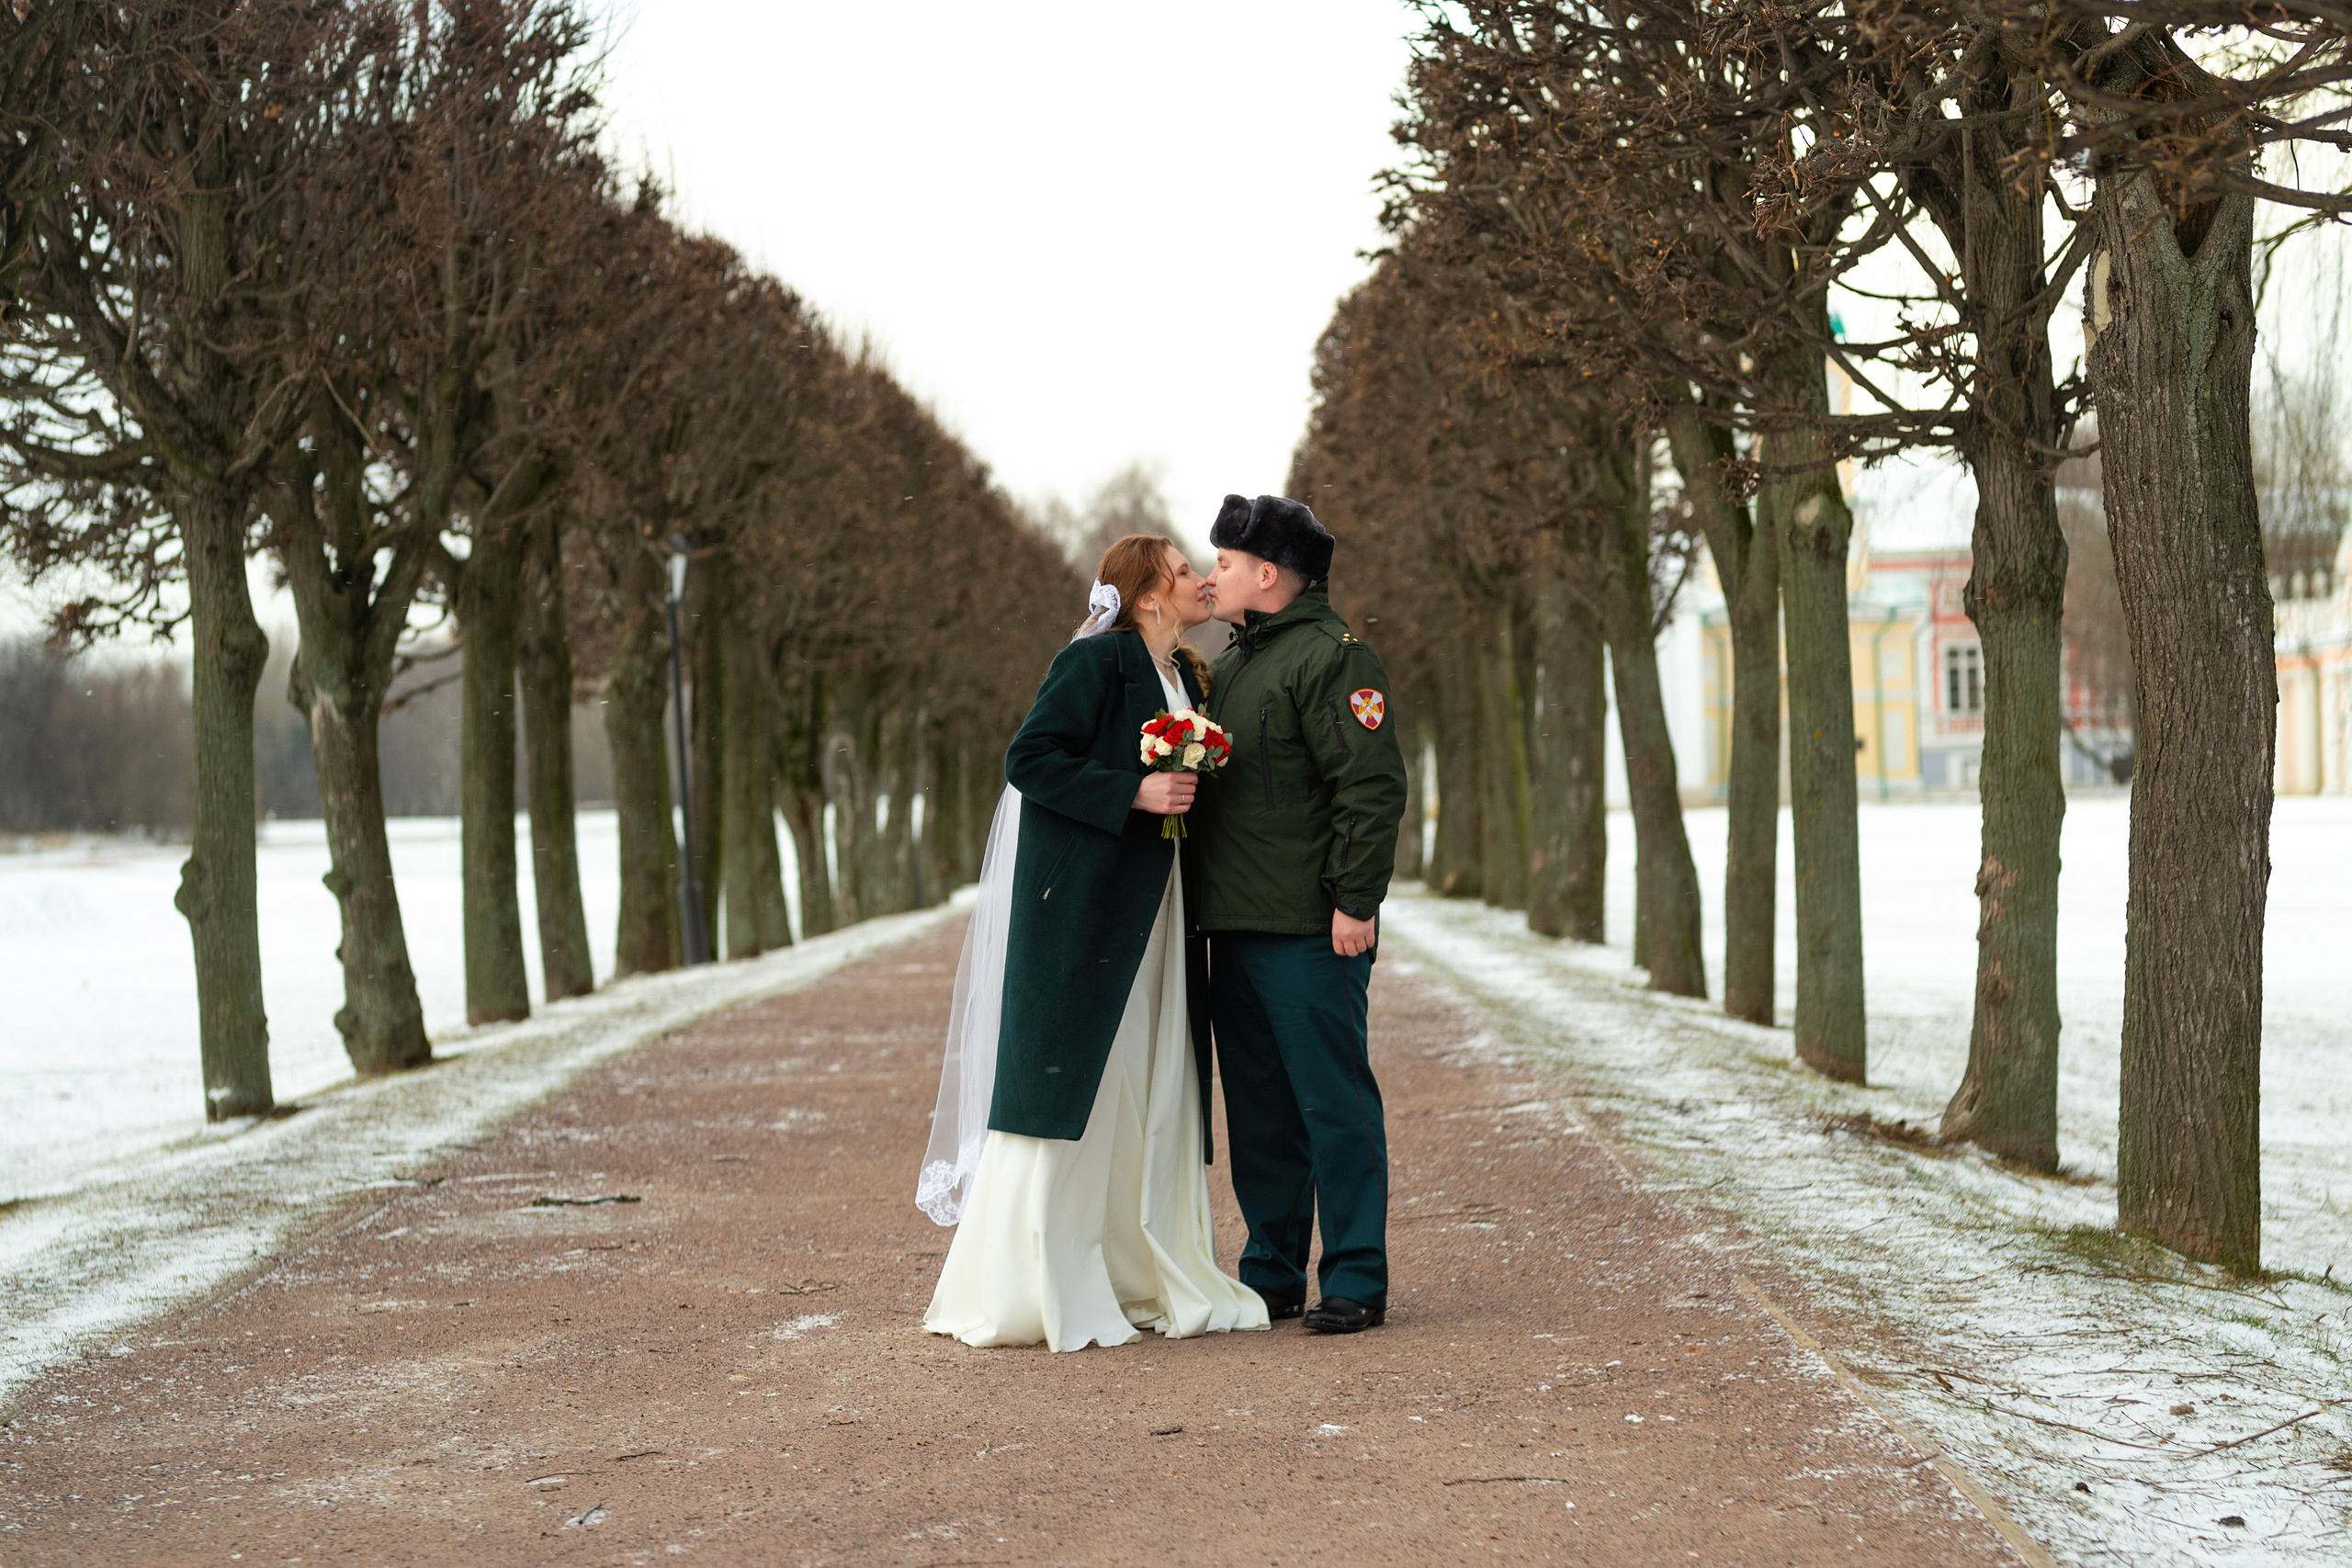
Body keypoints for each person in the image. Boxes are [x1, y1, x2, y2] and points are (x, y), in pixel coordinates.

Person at [918, 535, 1269, 1352]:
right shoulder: (1094, 664)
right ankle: (1041, 1276)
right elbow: (1029, 758)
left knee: (1146, 1075)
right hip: (1090, 914)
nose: (1198, 581)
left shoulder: (1181, 672)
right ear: (1148, 595)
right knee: (1085, 1079)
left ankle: (1136, 1261)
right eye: (1184, 572)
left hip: (1159, 908)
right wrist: (1134, 790)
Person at [1193, 494, 1408, 1334]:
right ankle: (1271, 1273)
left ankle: (1355, 1277)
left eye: (1224, 564)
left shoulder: (1334, 658)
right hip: (1236, 927)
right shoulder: (1236, 661)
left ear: (1268, 574)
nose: (1214, 576)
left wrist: (1356, 900)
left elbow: (1371, 784)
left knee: (1333, 1105)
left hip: (1311, 931)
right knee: (1258, 1113)